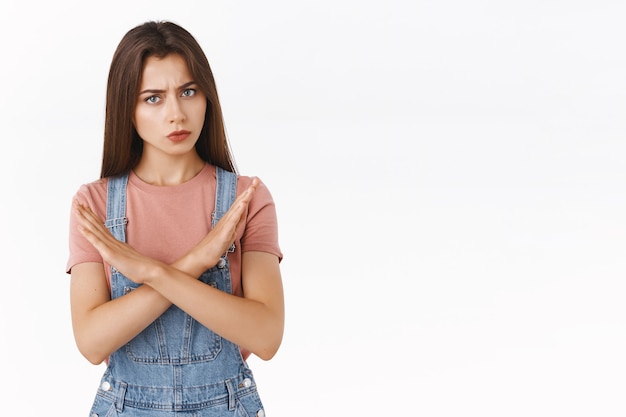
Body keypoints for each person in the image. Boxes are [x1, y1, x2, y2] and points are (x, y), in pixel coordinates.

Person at [67, 20, 284, 417]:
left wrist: (154, 272)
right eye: (153, 98)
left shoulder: (245, 198)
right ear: (126, 108)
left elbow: (267, 336)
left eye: (188, 91)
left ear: (207, 97)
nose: (176, 113)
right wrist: (195, 261)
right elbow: (92, 342)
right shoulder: (94, 205)